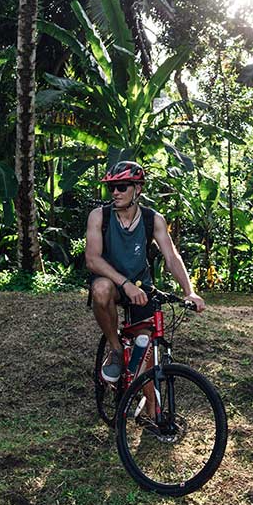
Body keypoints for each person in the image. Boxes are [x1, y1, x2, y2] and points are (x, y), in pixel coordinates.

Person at [85, 161, 205, 386]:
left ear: (137, 189)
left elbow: (171, 257)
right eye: (111, 187)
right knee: (101, 289)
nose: (115, 192)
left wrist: (190, 292)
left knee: (146, 353)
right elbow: (92, 259)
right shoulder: (99, 216)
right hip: (113, 283)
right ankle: (115, 349)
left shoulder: (153, 219)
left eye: (122, 186)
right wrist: (126, 284)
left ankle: (152, 414)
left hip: (141, 287)